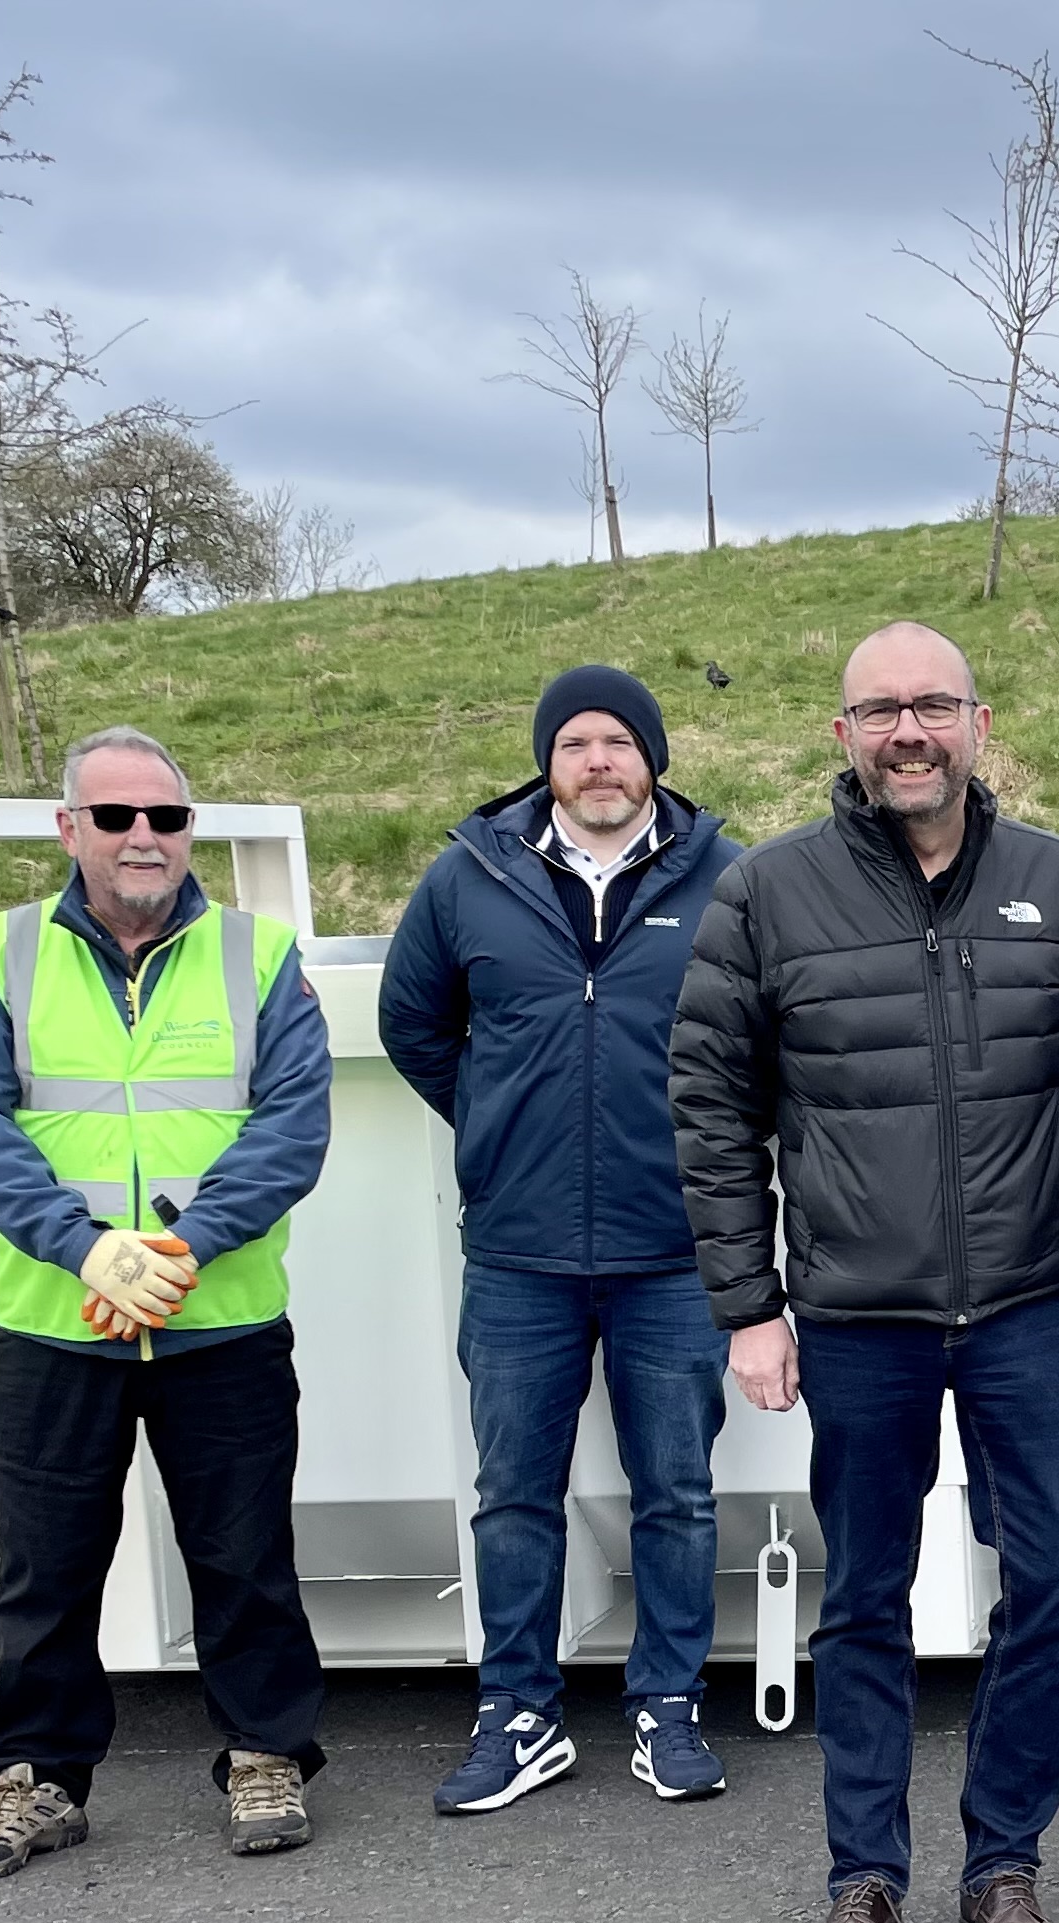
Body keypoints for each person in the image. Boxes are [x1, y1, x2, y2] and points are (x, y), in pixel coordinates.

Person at [668, 621, 1059, 1923]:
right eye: (880, 709)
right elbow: (708, 1106)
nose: (908, 730)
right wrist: (749, 1304)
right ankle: (862, 1878)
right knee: (864, 1597)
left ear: (978, 720)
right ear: (841, 735)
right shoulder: (767, 893)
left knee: (1050, 1581)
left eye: (932, 704)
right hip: (858, 1320)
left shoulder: (1057, 878)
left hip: (1030, 1310)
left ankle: (1003, 1866)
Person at [0, 727, 332, 1880]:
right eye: (115, 817)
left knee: (246, 1557)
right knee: (45, 1567)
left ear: (190, 829)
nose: (144, 836)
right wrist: (85, 1248)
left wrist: (183, 1246)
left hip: (222, 1318)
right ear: (69, 829)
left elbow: (293, 1125)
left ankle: (266, 1752)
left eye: (166, 816)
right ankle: (36, 1779)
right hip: (58, 1323)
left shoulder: (258, 955)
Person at [381, 665, 743, 1815]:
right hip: (520, 1251)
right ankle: (519, 1712)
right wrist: (499, 1121)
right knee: (513, 1495)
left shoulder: (725, 879)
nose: (599, 761)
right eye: (577, 741)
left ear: (653, 760)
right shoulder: (467, 875)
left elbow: (764, 1039)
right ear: (548, 758)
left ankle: (668, 1703)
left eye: (619, 742)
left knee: (676, 1489)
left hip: (672, 1246)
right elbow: (413, 1022)